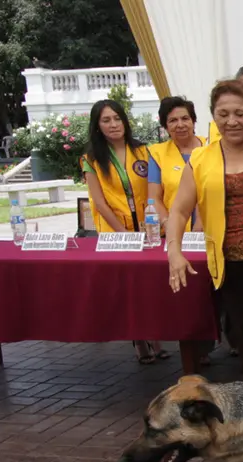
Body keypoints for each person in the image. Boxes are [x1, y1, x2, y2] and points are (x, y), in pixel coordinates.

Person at [165, 80, 243, 383]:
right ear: (213, 117)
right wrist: (174, 252)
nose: (232, 121)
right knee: (241, 338)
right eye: (223, 114)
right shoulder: (201, 159)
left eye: (240, 113)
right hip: (227, 266)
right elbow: (179, 211)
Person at [81, 99, 168, 366]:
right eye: (106, 120)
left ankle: (156, 336)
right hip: (116, 233)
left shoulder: (144, 151)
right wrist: (123, 233)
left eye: (117, 118)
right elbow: (99, 202)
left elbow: (156, 190)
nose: (113, 124)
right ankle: (139, 340)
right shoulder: (91, 159)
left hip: (149, 229)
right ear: (97, 126)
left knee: (150, 285)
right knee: (128, 289)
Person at [147, 97, 205, 233]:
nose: (180, 125)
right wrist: (168, 225)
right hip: (175, 232)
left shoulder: (211, 146)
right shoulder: (158, 154)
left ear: (193, 121)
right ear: (165, 126)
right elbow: (154, 198)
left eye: (185, 118)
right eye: (173, 120)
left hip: (212, 231)